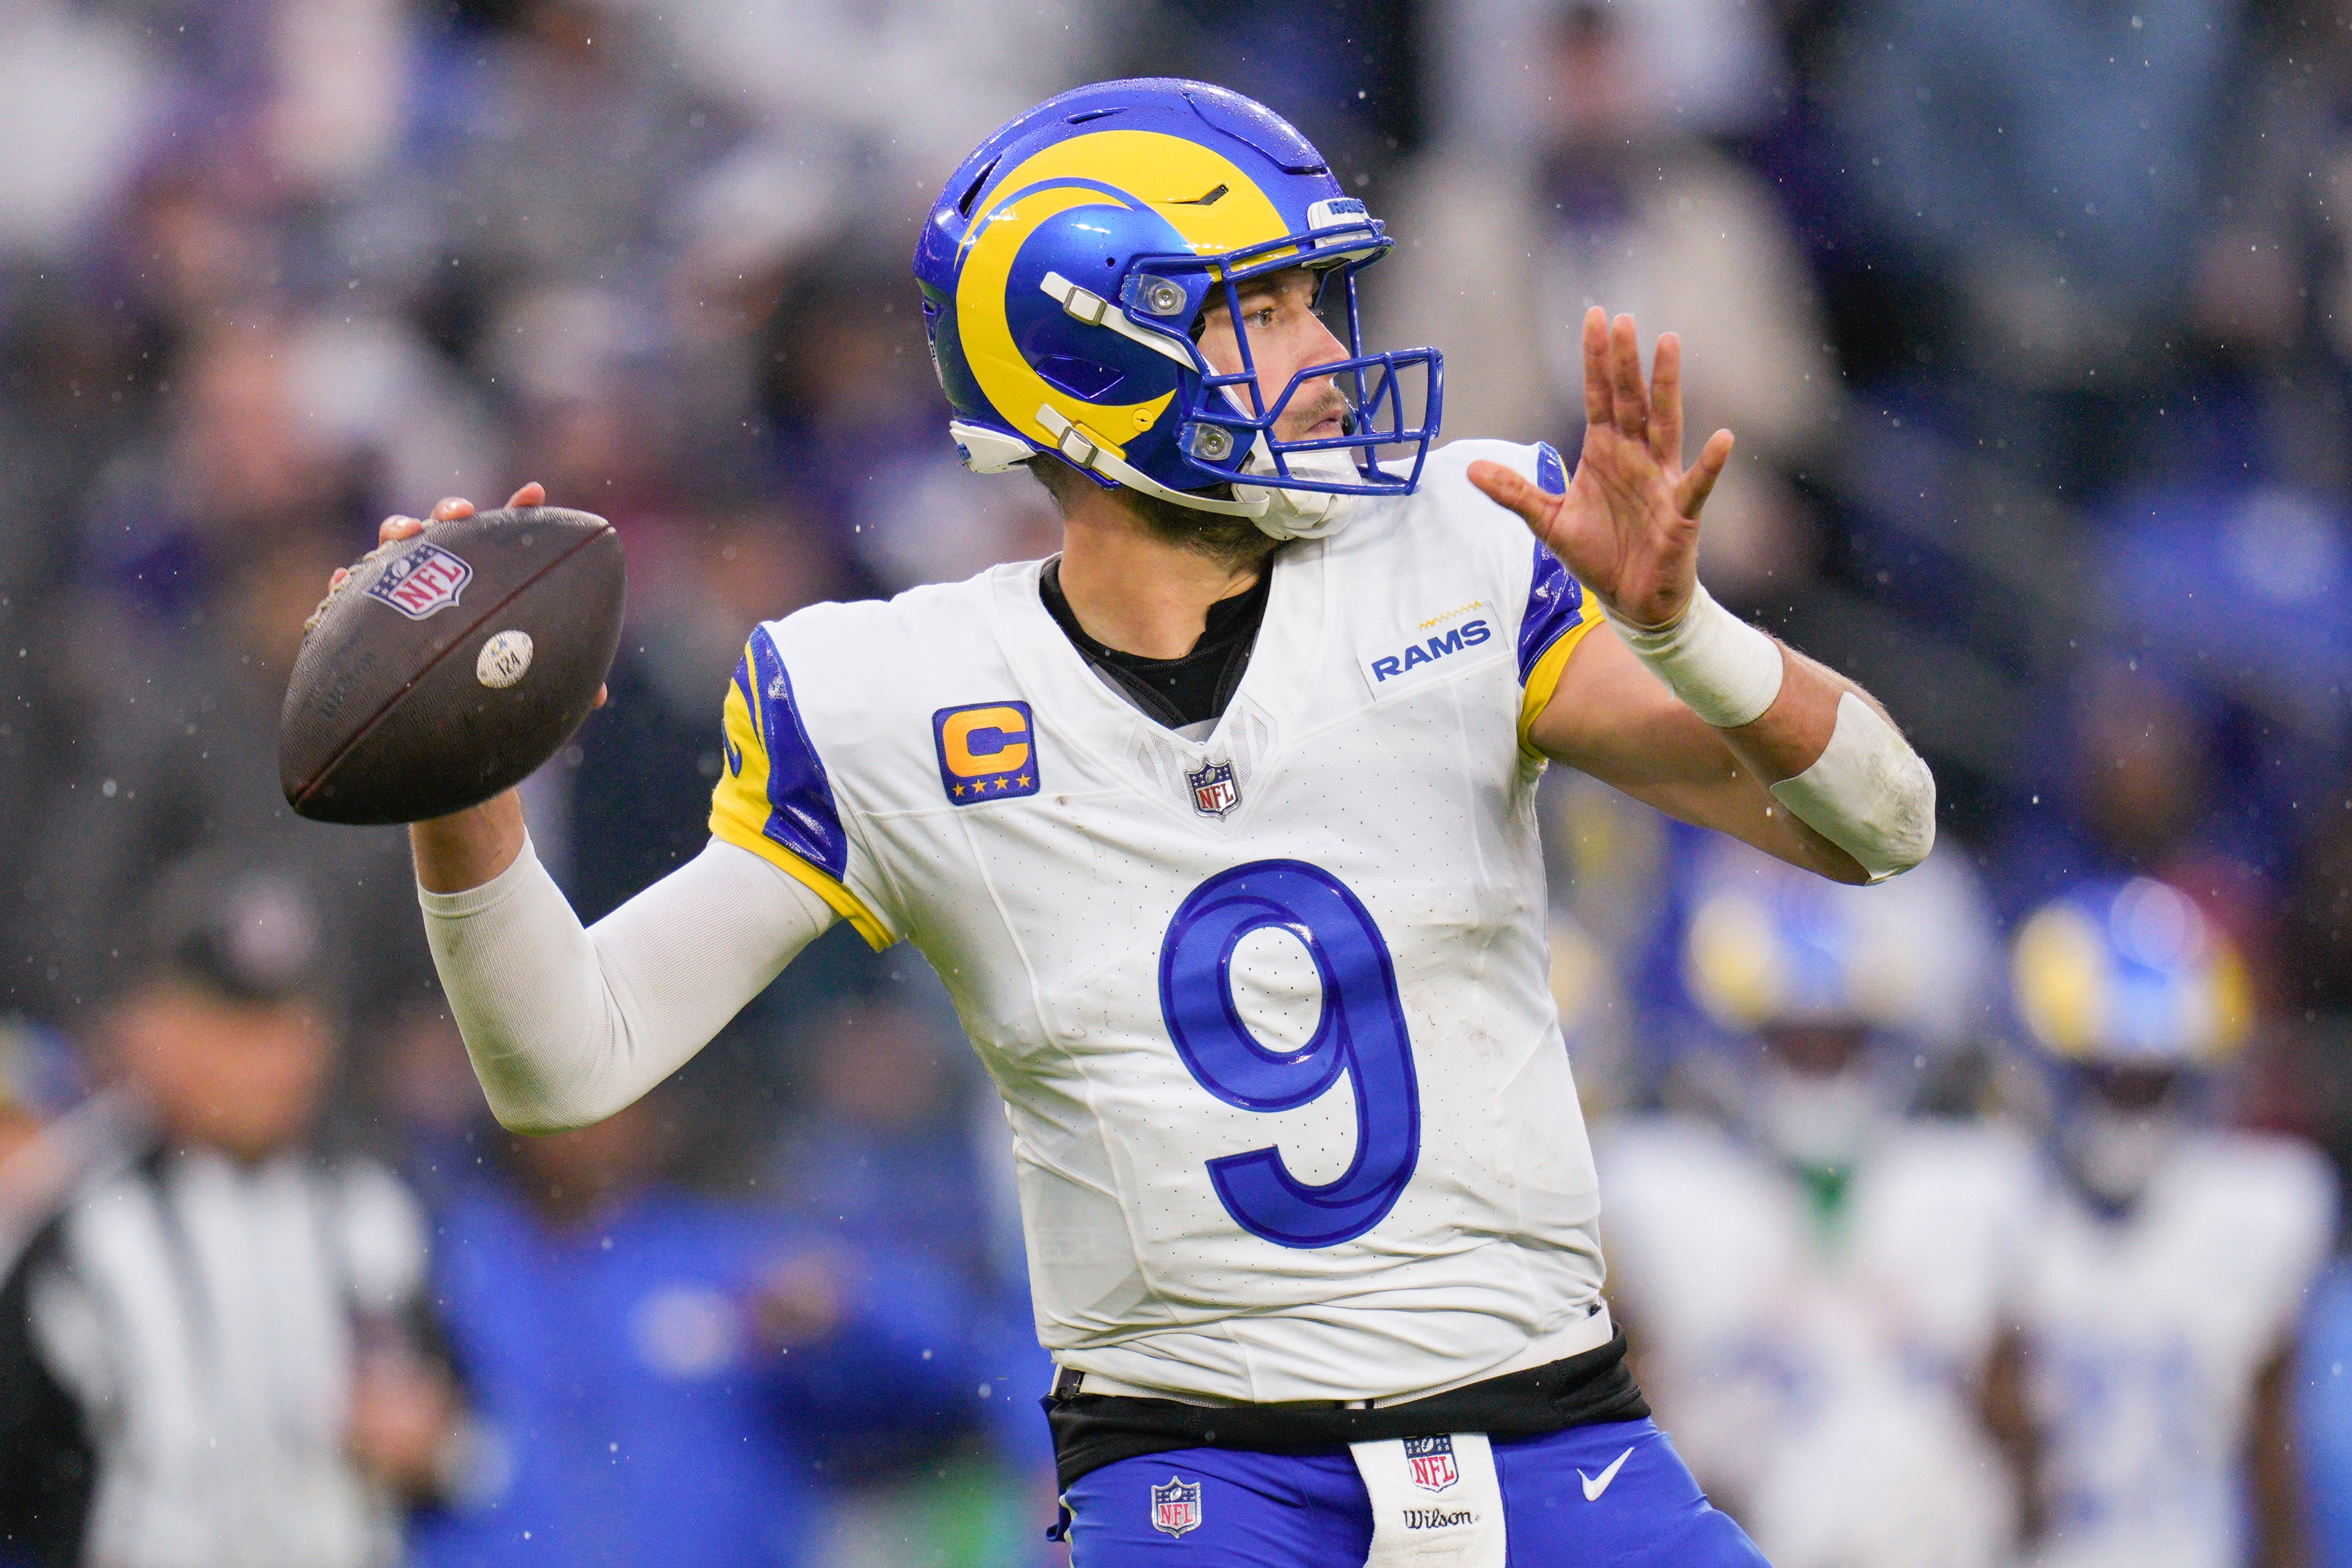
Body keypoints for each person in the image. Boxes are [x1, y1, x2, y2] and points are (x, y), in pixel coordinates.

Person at [365, 79, 1938, 1567]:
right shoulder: (885, 693)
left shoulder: (1457, 549)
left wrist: (1687, 632)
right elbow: (563, 1061)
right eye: (1260, 305)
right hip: (1202, 1467)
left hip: (1543, 1426)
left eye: (1314, 299)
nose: (1323, 346)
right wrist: (462, 796)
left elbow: (1879, 823)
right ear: (1088, 351)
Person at [0, 854, 468, 1568]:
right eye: (225, 1025)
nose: (257, 1064)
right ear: (148, 1028)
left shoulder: (373, 1215)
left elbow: (467, 1443)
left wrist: (427, 1444)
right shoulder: (72, 1220)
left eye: (282, 1026)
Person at [1598, 838, 2028, 1568]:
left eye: (1840, 1041)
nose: (1820, 1064)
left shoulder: (1965, 1181)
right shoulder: (1658, 1181)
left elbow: (2017, 1436)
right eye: (1796, 1040)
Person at [409, 1090, 991, 1568]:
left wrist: (845, 1307)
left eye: (607, 1091)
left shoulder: (719, 1260)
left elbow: (960, 1365)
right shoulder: (441, 1269)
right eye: (553, 1088)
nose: (583, 1125)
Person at [1995, 876, 2336, 1568]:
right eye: (2107, 1074)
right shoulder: (1991, 1200)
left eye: (2152, 1079)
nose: (2130, 1099)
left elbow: (2275, 1471)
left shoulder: (2258, 1208)